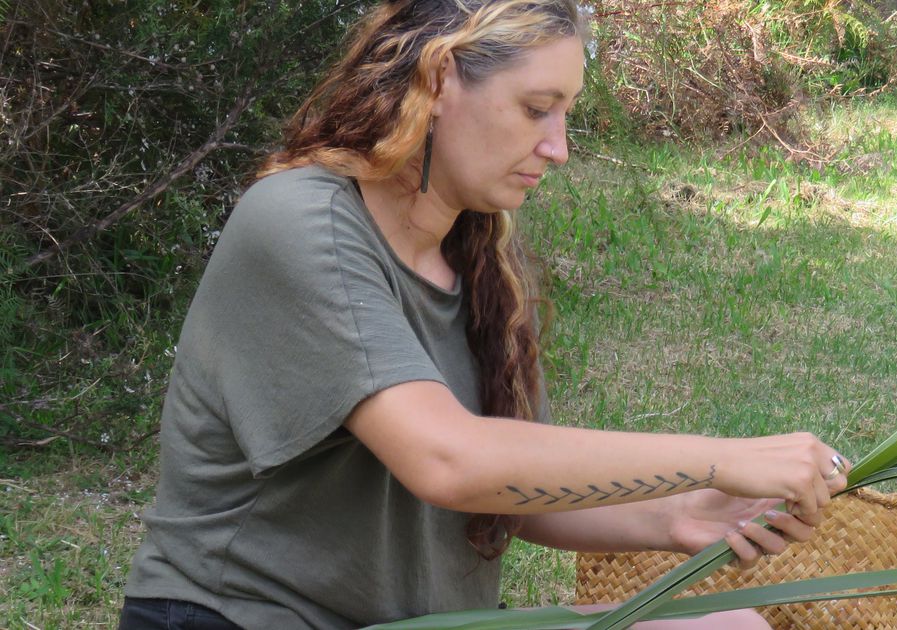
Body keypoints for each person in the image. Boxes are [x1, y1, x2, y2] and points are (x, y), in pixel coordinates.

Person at [118, 1, 852, 628]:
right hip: (236, 615)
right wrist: (722, 458)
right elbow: (450, 460)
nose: (558, 148)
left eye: (566, 114)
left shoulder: (477, 253)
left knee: (728, 625)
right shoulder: (298, 221)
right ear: (439, 79)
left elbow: (515, 496)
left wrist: (674, 516)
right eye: (537, 109)